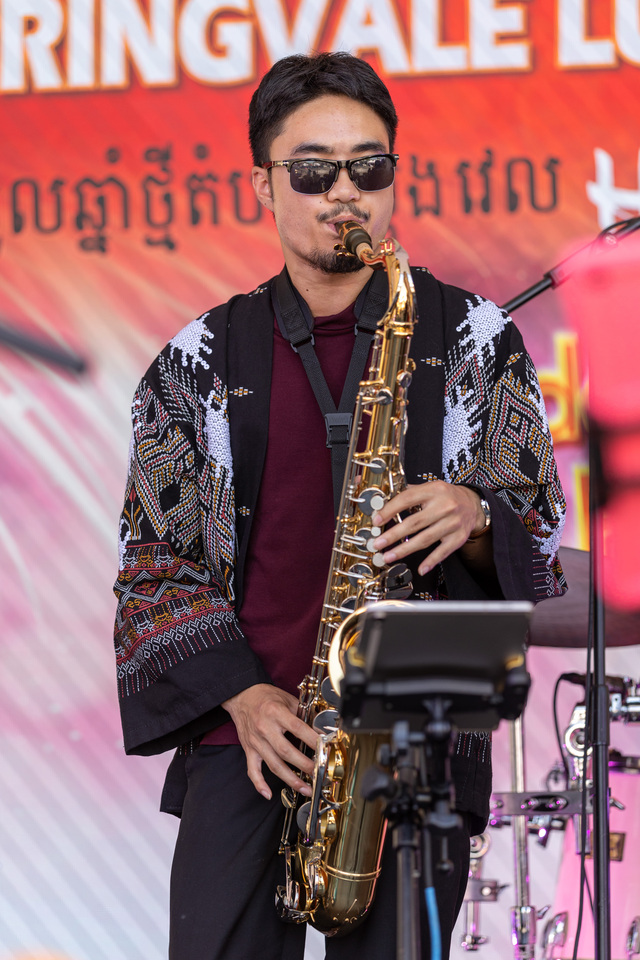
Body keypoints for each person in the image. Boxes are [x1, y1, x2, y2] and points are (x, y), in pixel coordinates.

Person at [113, 52, 566, 960]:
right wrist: (242, 696)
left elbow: (541, 538)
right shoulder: (195, 360)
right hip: (249, 738)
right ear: (263, 185)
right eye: (313, 172)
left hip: (415, 745)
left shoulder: (477, 341)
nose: (345, 192)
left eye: (370, 167)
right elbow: (152, 569)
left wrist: (479, 516)